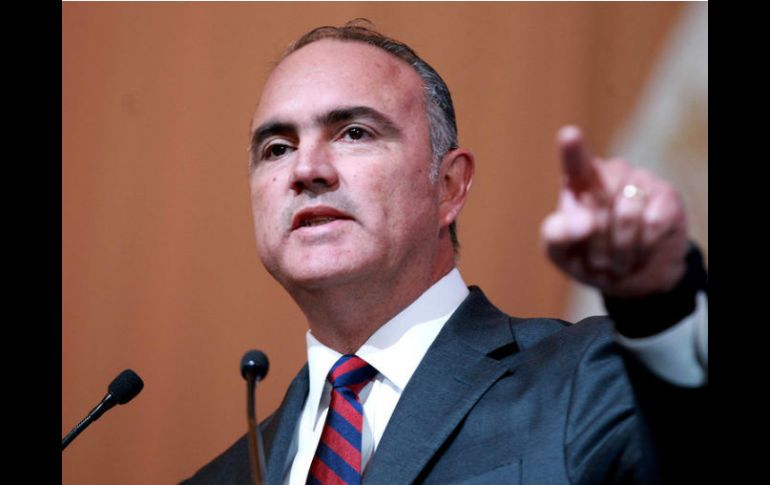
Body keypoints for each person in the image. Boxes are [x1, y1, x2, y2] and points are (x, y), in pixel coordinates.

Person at [183, 21, 707, 485]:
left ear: (450, 186)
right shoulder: (220, 479)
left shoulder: (587, 378)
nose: (306, 170)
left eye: (354, 133)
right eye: (277, 148)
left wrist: (658, 303)